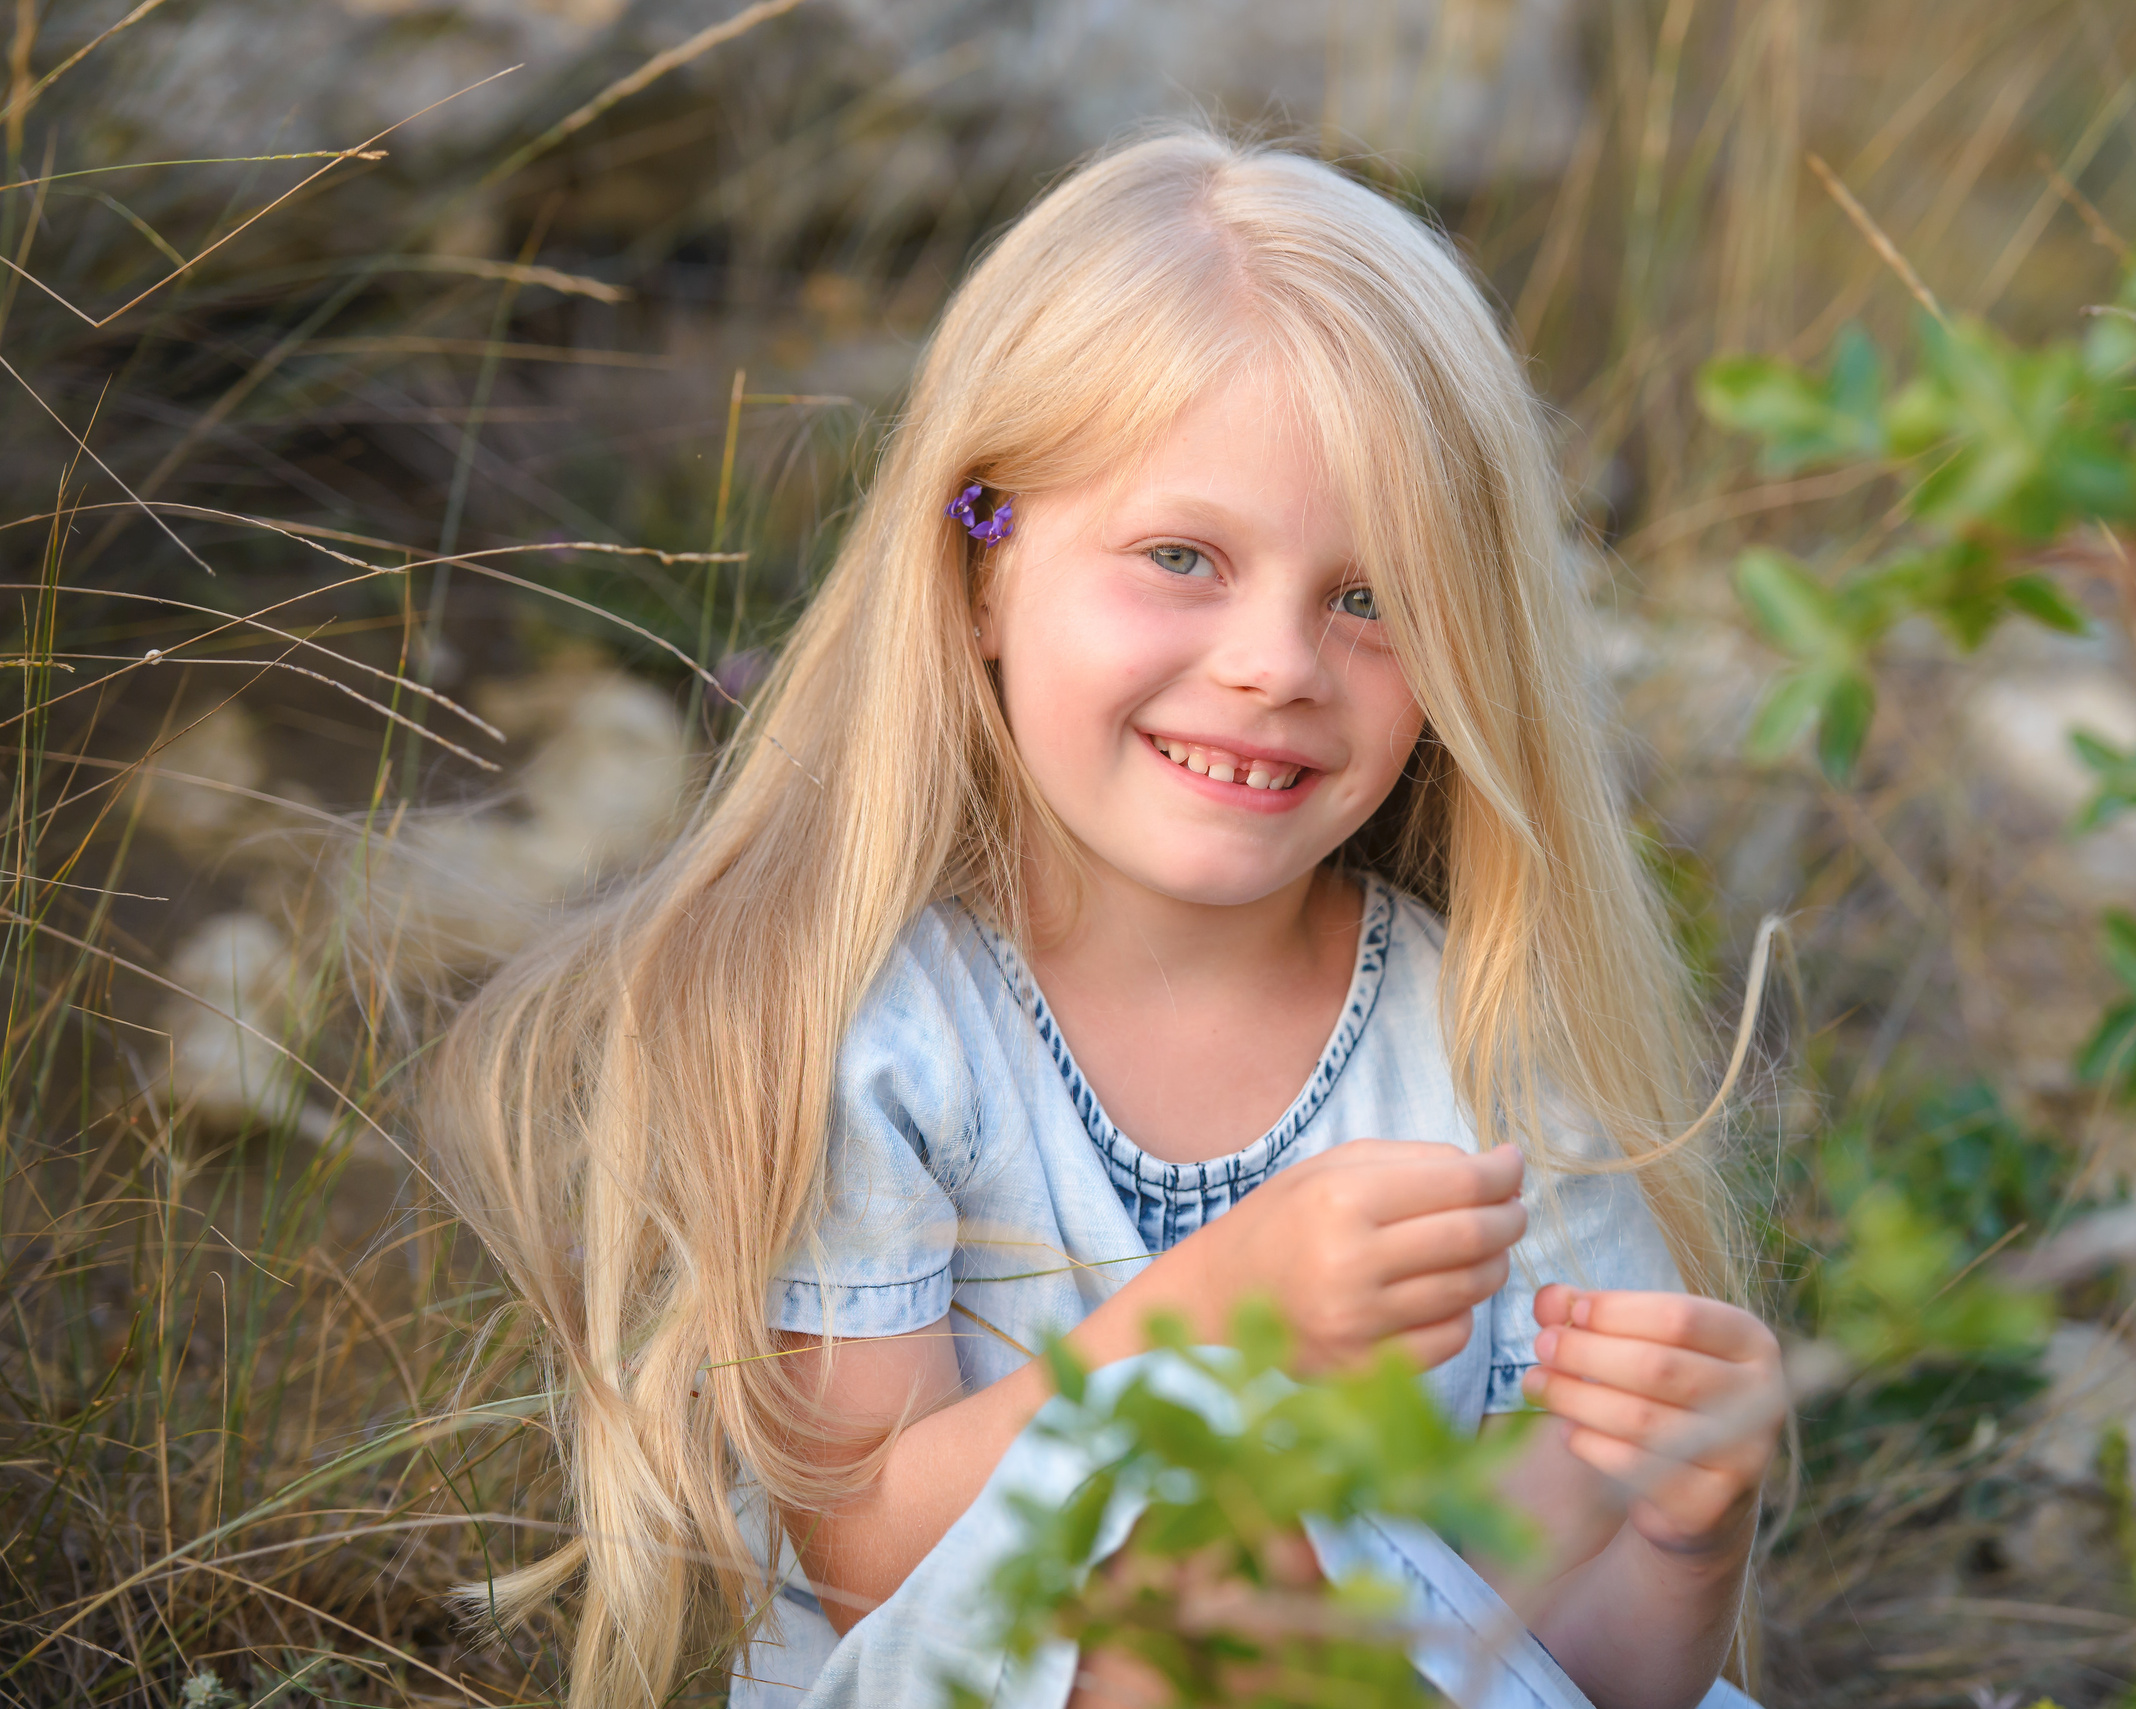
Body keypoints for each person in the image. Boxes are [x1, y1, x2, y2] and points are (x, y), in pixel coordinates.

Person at [424, 127, 1783, 1709]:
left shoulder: (1483, 1036)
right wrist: (1210, 1314)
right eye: (1182, 557)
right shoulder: (879, 1030)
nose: (1276, 663)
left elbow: (1555, 1664)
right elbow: (866, 1550)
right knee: (1202, 1572)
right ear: (981, 565)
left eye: (1371, 595)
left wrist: (1684, 1531)